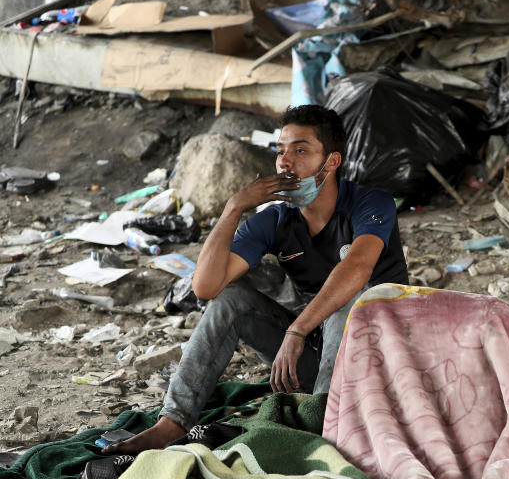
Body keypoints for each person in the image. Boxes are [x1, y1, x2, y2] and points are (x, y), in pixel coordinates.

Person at [106, 105, 409, 454]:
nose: (285, 162)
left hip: (384, 357)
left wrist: (296, 330)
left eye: (300, 150)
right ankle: (171, 423)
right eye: (280, 151)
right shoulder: (275, 220)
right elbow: (206, 287)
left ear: (331, 162)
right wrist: (233, 208)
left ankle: (323, 424)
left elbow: (357, 268)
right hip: (319, 364)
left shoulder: (371, 202)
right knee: (231, 299)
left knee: (350, 302)